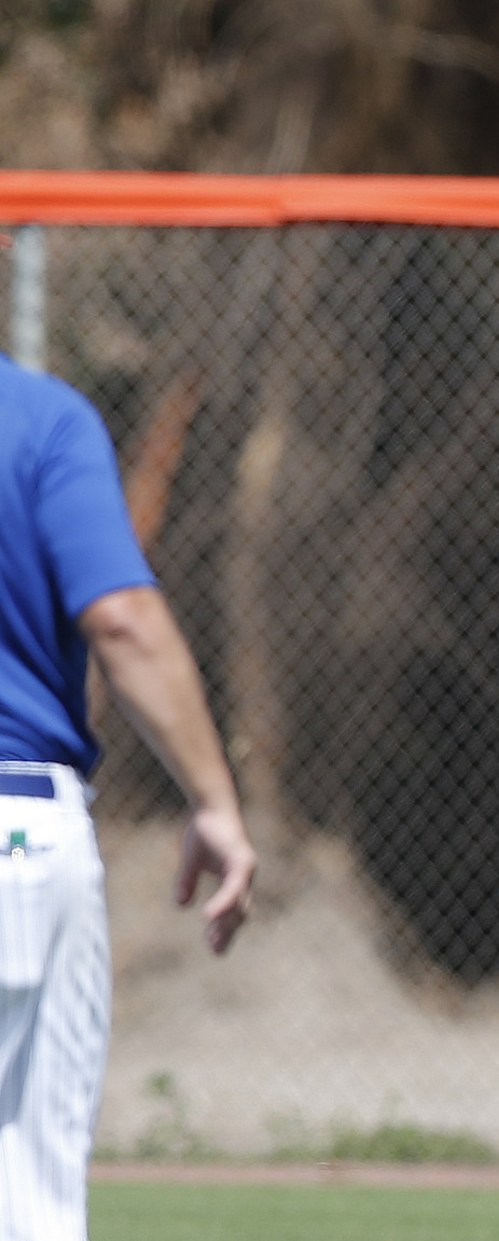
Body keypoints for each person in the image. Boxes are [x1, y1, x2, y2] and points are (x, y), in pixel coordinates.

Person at [1, 350, 258, 1241]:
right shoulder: (39, 421)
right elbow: (122, 619)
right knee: (29, 1199)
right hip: (17, 827)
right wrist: (214, 799)